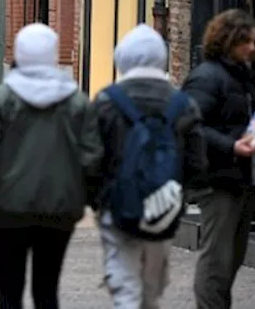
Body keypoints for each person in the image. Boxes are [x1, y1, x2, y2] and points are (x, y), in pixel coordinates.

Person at [0, 24, 102, 309]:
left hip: (9, 206)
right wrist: (86, 196)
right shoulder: (76, 102)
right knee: (47, 290)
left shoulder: (1, 98)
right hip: (60, 206)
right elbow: (92, 157)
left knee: (9, 290)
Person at [94, 25, 207, 308]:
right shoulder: (183, 104)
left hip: (117, 205)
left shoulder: (107, 101)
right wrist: (179, 195)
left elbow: (91, 158)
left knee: (124, 281)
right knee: (151, 286)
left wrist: (97, 199)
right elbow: (197, 162)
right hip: (163, 208)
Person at [183, 8, 255, 309]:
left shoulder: (241, 77)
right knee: (216, 258)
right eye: (246, 42)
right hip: (216, 179)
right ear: (228, 40)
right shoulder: (207, 77)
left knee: (232, 256)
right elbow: (190, 125)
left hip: (239, 176)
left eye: (254, 42)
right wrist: (231, 147)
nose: (252, 49)